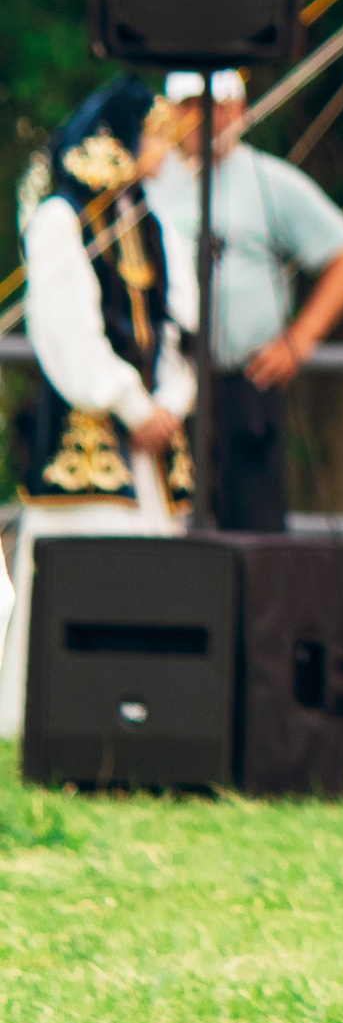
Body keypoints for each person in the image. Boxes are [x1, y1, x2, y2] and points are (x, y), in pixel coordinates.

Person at [3, 76, 196, 737]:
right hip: (87, 438)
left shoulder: (145, 216)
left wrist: (171, 400)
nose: (166, 152)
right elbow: (65, 334)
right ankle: (55, 714)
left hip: (149, 440)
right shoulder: (62, 217)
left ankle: (142, 716)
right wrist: (126, 400)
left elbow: (177, 327)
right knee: (82, 574)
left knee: (152, 575)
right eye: (157, 137)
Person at [144, 68, 343, 535]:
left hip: (243, 381)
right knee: (173, 523)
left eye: (220, 107)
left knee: (253, 525)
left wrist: (299, 340)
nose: (207, 119)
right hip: (169, 383)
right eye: (192, 107)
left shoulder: (269, 180)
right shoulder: (151, 179)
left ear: (241, 110)